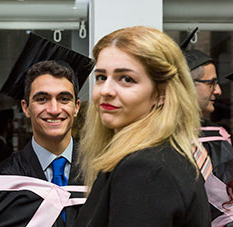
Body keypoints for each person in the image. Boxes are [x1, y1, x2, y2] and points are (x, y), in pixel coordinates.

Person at [73, 26, 211, 227]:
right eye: (101, 77)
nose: (106, 90)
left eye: (126, 79)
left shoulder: (145, 169)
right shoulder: (159, 156)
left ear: (161, 93)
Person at [0, 33, 93, 227]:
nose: (54, 110)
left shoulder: (100, 172)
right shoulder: (3, 182)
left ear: (77, 107)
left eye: (64, 99)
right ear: (25, 107)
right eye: (42, 99)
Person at [181, 29, 233, 227]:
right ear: (185, 85)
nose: (218, 90)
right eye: (211, 83)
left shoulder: (216, 138)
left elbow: (225, 209)